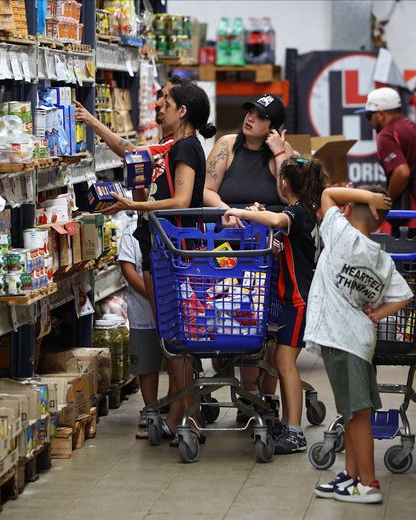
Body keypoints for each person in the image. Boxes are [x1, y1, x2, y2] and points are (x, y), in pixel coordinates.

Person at [101, 82, 216, 445]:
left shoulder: (184, 147)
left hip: (175, 253)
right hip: (161, 250)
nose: (158, 105)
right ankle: (181, 412)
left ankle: (187, 415)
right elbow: (129, 151)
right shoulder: (169, 147)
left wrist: (134, 207)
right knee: (172, 338)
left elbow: (181, 200)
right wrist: (91, 122)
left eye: (166, 100)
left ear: (182, 111)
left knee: (176, 338)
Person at [304, 185, 412, 504]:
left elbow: (325, 193)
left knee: (358, 415)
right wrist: (377, 314)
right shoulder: (381, 258)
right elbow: (404, 295)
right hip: (360, 339)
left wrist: (366, 199)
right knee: (352, 413)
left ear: (351, 209)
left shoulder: (340, 234)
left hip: (341, 338)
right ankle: (351, 478)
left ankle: (368, 483)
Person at [224, 157, 325, 454]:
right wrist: (261, 213)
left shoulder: (295, 213)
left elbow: (280, 221)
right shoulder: (307, 211)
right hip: (294, 300)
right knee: (282, 362)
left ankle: (295, 431)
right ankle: (287, 422)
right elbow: (283, 237)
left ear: (283, 184)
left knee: (284, 363)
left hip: (299, 300)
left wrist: (242, 211)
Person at [203, 94, 295, 399]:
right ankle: (243, 382)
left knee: (265, 320)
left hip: (266, 250)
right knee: (233, 314)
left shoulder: (281, 154)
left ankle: (261, 395)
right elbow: (207, 190)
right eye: (250, 111)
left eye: (259, 115)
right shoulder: (228, 145)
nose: (250, 118)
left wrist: (279, 152)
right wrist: (229, 211)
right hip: (227, 246)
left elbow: (288, 198)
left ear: (272, 126)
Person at [358, 87, 416, 235]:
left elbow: (402, 173)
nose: (369, 121)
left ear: (381, 114)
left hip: (414, 222)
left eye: (369, 115)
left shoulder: (386, 135)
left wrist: (387, 201)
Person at [117, 223, 163, 440]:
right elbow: (128, 269)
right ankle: (151, 408)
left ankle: (174, 404)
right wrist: (153, 296)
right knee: (147, 365)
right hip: (143, 313)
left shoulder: (170, 224)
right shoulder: (130, 232)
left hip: (171, 310)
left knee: (176, 361)